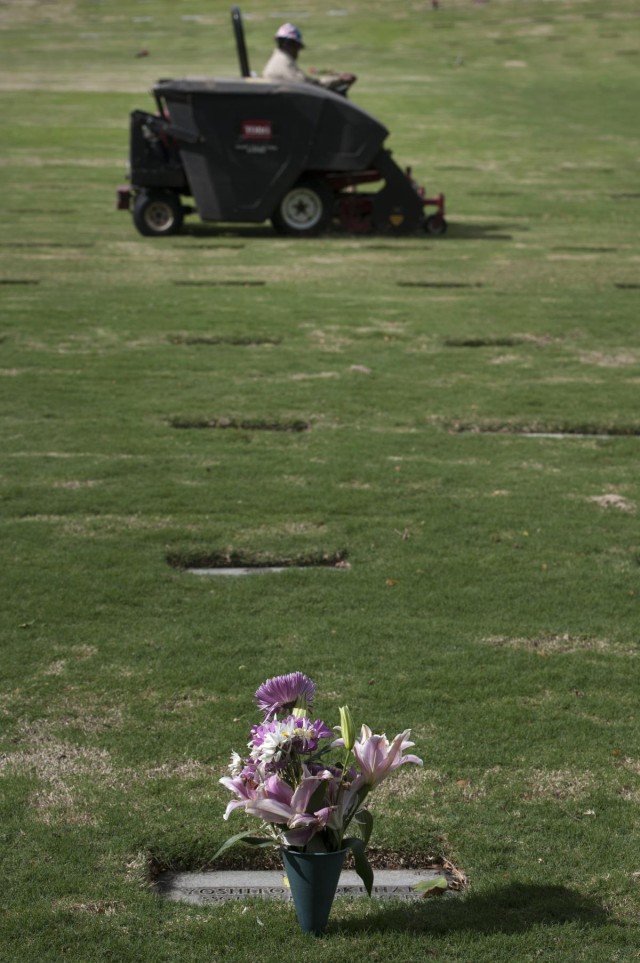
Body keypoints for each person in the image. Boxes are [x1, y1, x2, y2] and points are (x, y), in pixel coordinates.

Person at [263, 23, 356, 94]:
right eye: (297, 47)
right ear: (289, 44)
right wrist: (338, 80)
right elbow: (308, 86)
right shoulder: (283, 62)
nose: (297, 52)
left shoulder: (278, 59)